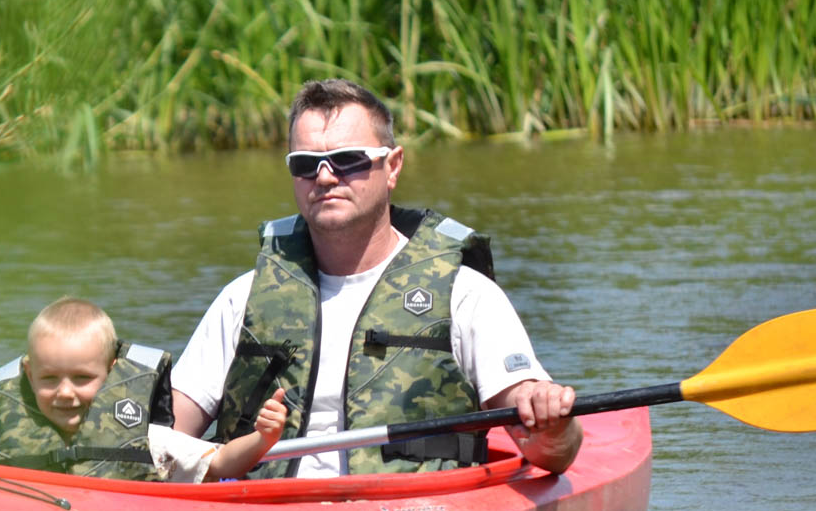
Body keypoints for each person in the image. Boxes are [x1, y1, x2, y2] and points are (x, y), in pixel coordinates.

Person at [169, 78, 581, 478]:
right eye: (306, 165)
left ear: (393, 166)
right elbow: (165, 439)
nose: (326, 178)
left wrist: (551, 421)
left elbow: (551, 454)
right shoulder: (243, 299)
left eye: (348, 160)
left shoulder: (466, 295)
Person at [0, 297, 291, 482]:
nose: (65, 392)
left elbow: (221, 463)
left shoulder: (150, 444)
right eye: (49, 379)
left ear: (111, 372)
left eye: (82, 378)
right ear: (28, 375)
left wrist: (263, 438)